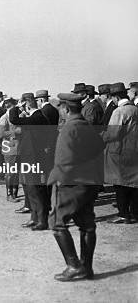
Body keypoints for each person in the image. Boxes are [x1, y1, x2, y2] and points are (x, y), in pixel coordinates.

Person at [48, 93, 104, 281]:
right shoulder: (87, 126)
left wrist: (57, 180)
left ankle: (73, 266)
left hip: (70, 184)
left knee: (57, 224)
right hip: (89, 183)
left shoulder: (68, 129)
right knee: (87, 226)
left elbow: (63, 161)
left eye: (60, 109)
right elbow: (99, 147)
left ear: (65, 109)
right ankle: (87, 268)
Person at [9, 92, 50, 230]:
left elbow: (14, 119)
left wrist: (16, 107)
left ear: (27, 103)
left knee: (36, 189)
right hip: (29, 157)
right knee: (30, 189)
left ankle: (42, 220)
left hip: (33, 158)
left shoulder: (38, 117)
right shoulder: (34, 117)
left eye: (23, 103)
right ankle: (34, 218)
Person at [101, 82, 138, 224]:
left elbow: (113, 134)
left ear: (115, 97)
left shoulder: (119, 112)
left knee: (120, 184)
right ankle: (135, 213)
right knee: (134, 184)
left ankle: (123, 214)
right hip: (134, 151)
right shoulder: (135, 109)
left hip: (120, 152)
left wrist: (102, 135)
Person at [0, 97, 20, 202]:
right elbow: (0, 133)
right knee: (10, 172)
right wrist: (16, 132)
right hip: (9, 148)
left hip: (18, 147)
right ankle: (9, 194)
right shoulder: (4, 118)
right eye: (13, 105)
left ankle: (15, 193)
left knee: (16, 172)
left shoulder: (17, 116)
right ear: (7, 106)